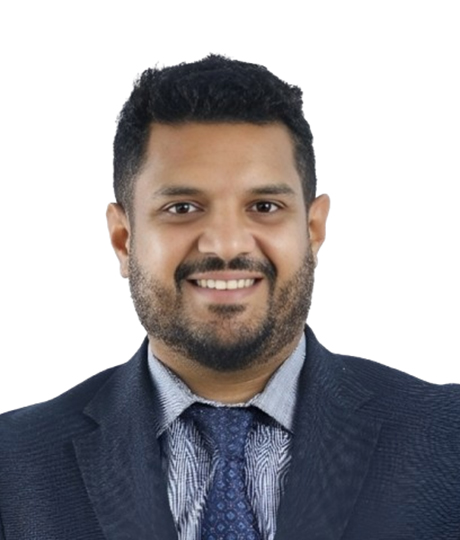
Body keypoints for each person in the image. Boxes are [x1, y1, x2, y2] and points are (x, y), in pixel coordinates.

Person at [0, 55, 459, 540]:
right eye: (182, 207)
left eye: (264, 206)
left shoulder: (447, 439)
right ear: (124, 239)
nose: (225, 244)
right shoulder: (14, 463)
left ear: (313, 229)